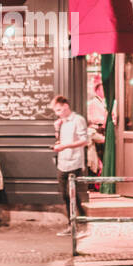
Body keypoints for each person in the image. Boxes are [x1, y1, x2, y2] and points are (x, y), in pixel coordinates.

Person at [51, 95, 89, 237]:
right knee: (65, 195)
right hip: (62, 162)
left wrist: (65, 146)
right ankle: (71, 225)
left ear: (66, 106)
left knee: (74, 195)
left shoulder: (78, 120)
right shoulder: (62, 123)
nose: (57, 113)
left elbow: (84, 140)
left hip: (74, 162)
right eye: (56, 111)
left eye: (59, 110)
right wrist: (56, 130)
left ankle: (83, 225)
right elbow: (61, 140)